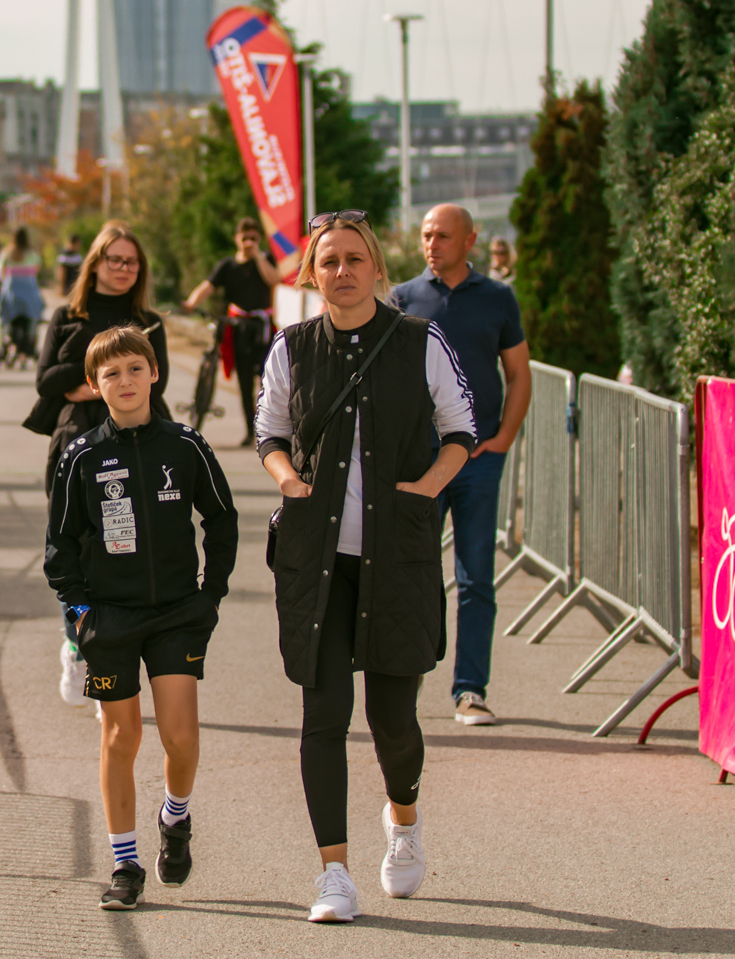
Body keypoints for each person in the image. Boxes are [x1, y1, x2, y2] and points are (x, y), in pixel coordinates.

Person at [255, 210, 476, 922]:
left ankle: (403, 821)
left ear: (377, 267)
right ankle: (334, 874)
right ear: (311, 274)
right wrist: (288, 479)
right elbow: (271, 433)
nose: (342, 271)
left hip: (398, 559)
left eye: (355, 258)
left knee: (393, 719)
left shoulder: (419, 341)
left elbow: (460, 428)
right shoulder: (291, 348)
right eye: (329, 261)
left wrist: (426, 488)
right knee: (323, 714)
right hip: (318, 561)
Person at [45, 325, 238, 910]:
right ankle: (125, 864)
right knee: (120, 735)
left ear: (154, 374)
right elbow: (60, 546)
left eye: (135, 369)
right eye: (111, 373)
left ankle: (174, 818)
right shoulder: (82, 456)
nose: (124, 381)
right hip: (110, 618)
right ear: (94, 385)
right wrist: (80, 613)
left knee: (181, 737)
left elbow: (222, 520)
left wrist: (211, 595)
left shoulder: (186, 445)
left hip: (179, 613)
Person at [394, 204, 531, 726]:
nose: (432, 244)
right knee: (416, 573)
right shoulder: (405, 298)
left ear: (470, 240)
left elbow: (518, 373)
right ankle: (407, 680)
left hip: (477, 463)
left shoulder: (498, 298)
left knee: (475, 578)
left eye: (444, 236)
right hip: (422, 459)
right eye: (427, 235)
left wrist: (503, 438)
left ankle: (470, 689)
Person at [31, 221, 170, 711]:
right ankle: (79, 645)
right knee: (75, 553)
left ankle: (109, 660)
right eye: (115, 260)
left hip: (138, 445)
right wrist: (106, 383)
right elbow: (46, 381)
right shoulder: (67, 316)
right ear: (96, 263)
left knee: (129, 550)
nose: (124, 269)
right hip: (76, 444)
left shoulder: (149, 321)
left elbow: (162, 379)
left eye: (132, 261)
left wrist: (92, 384)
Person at [181, 216, 280, 445]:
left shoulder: (265, 260)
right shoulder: (228, 265)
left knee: (269, 380)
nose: (248, 242)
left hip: (263, 327)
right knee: (245, 382)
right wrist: (191, 302)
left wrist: (257, 257)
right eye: (244, 238)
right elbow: (208, 286)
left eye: (253, 238)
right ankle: (250, 430)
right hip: (239, 329)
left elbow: (275, 280)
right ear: (237, 239)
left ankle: (272, 428)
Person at [0, 227, 46, 363]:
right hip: (29, 293)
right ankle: (29, 347)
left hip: (12, 293)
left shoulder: (7, 253)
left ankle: (8, 341)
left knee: (9, 319)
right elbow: (37, 269)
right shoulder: (32, 254)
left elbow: (2, 272)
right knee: (33, 317)